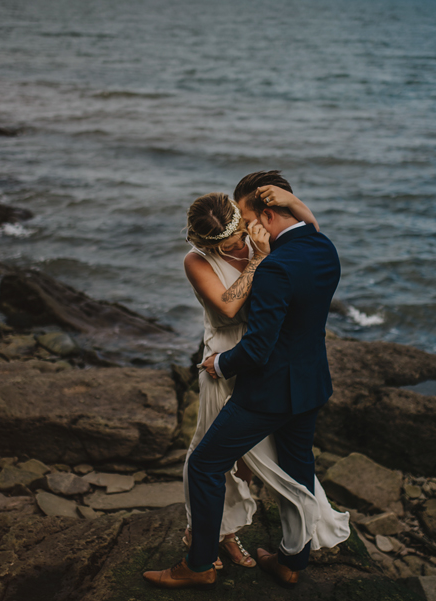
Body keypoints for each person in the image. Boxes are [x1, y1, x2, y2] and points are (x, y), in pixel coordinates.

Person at [144, 171, 350, 590]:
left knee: (204, 464)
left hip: (261, 381)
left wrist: (219, 365)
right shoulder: (321, 245)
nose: (241, 233)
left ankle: (199, 563)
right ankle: (291, 560)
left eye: (244, 219)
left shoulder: (273, 264)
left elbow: (255, 348)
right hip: (309, 381)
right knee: (296, 469)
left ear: (263, 215)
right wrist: (290, 210)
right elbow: (306, 226)